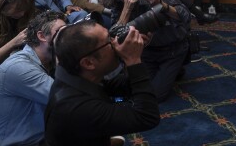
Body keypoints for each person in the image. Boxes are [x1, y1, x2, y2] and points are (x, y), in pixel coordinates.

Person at [44, 18, 160, 146]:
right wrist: (133, 60)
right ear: (88, 63)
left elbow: (125, 87)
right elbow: (148, 117)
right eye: (109, 41)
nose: (116, 42)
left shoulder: (74, 72)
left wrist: (136, 54)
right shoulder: (78, 108)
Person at [0, 11, 66, 146]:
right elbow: (65, 100)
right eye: (60, 32)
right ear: (41, 36)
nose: (67, 37)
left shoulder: (47, 62)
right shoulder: (20, 67)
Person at [102, 0, 191, 101]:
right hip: (146, 52)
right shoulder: (119, 6)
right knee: (135, 87)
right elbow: (115, 39)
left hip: (172, 49)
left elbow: (186, 16)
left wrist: (160, 4)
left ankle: (177, 68)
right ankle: (172, 72)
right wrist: (127, 9)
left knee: (156, 95)